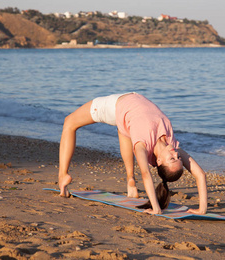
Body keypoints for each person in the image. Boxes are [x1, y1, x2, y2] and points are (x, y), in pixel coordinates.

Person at [58, 92, 207, 215]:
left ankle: (63, 175)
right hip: (128, 111)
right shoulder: (172, 144)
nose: (175, 153)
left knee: (69, 122)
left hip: (113, 107)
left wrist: (156, 208)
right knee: (125, 131)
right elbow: (200, 174)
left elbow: (146, 173)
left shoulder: (142, 145)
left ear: (160, 161)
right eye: (178, 157)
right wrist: (202, 209)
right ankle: (131, 182)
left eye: (172, 159)